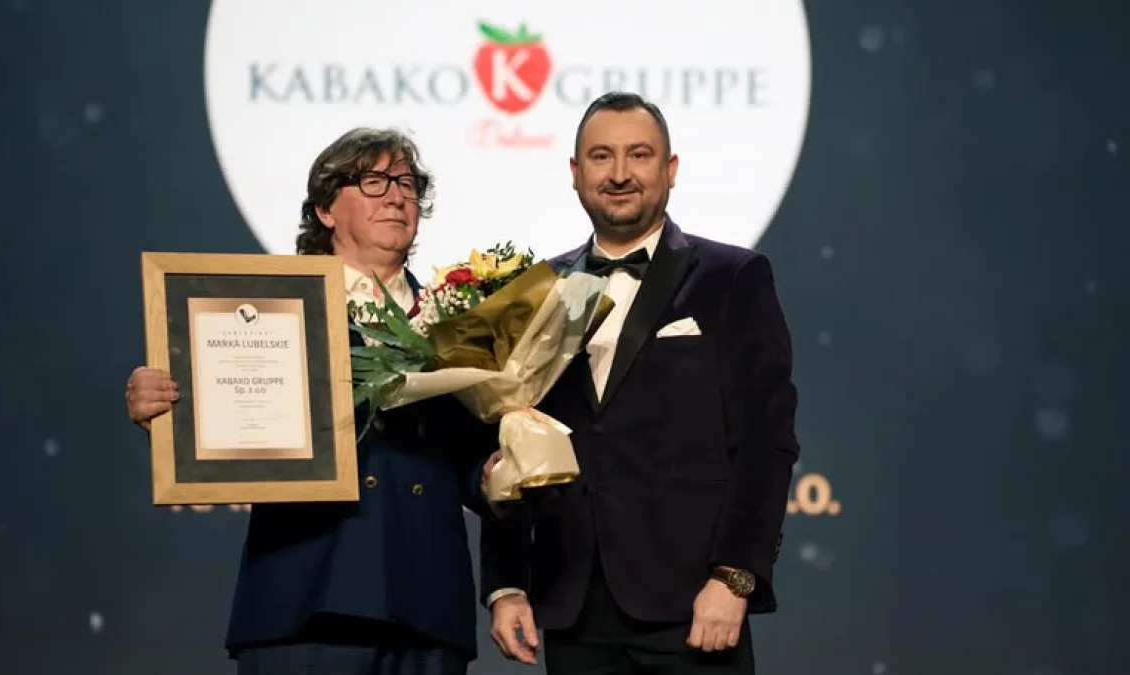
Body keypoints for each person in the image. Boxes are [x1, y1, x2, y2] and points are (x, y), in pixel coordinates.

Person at [125, 127, 500, 675]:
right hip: (307, 593)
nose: (396, 197)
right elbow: (225, 415)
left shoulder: (462, 318)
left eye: (407, 183)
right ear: (325, 209)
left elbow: (470, 458)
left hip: (426, 606)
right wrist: (166, 407)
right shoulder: (271, 312)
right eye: (373, 182)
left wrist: (494, 475)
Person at [479, 92, 801, 675]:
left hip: (692, 603)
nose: (620, 173)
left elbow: (765, 441)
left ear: (670, 169)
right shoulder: (534, 290)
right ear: (575, 173)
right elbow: (510, 445)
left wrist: (734, 575)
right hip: (573, 606)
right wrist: (506, 585)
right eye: (601, 156)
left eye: (639, 155)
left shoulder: (732, 277)